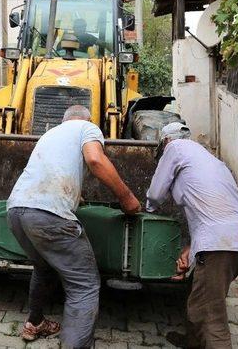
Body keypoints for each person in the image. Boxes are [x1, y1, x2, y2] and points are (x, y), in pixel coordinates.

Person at [7, 105, 141, 348]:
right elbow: (94, 159)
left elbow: (51, 173)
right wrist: (127, 197)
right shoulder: (87, 127)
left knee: (43, 266)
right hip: (47, 215)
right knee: (84, 285)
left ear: (63, 119)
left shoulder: (49, 135)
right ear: (88, 120)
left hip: (16, 210)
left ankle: (34, 322)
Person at [146, 122, 238, 349]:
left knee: (210, 315)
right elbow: (209, 211)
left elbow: (156, 194)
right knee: (199, 302)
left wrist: (144, 208)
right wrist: (190, 249)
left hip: (220, 242)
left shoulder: (175, 147)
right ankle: (192, 343)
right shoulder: (210, 160)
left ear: (166, 141)